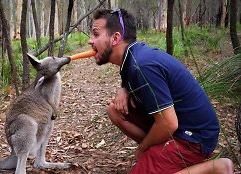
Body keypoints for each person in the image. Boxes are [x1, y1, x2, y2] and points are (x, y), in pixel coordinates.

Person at [88, 8, 234, 174]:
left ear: (115, 38)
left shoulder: (142, 65)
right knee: (114, 110)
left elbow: (169, 123)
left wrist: (142, 148)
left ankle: (216, 168)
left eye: (96, 34)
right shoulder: (132, 58)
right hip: (175, 126)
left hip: (194, 138)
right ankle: (157, 153)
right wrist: (123, 89)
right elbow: (132, 81)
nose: (90, 41)